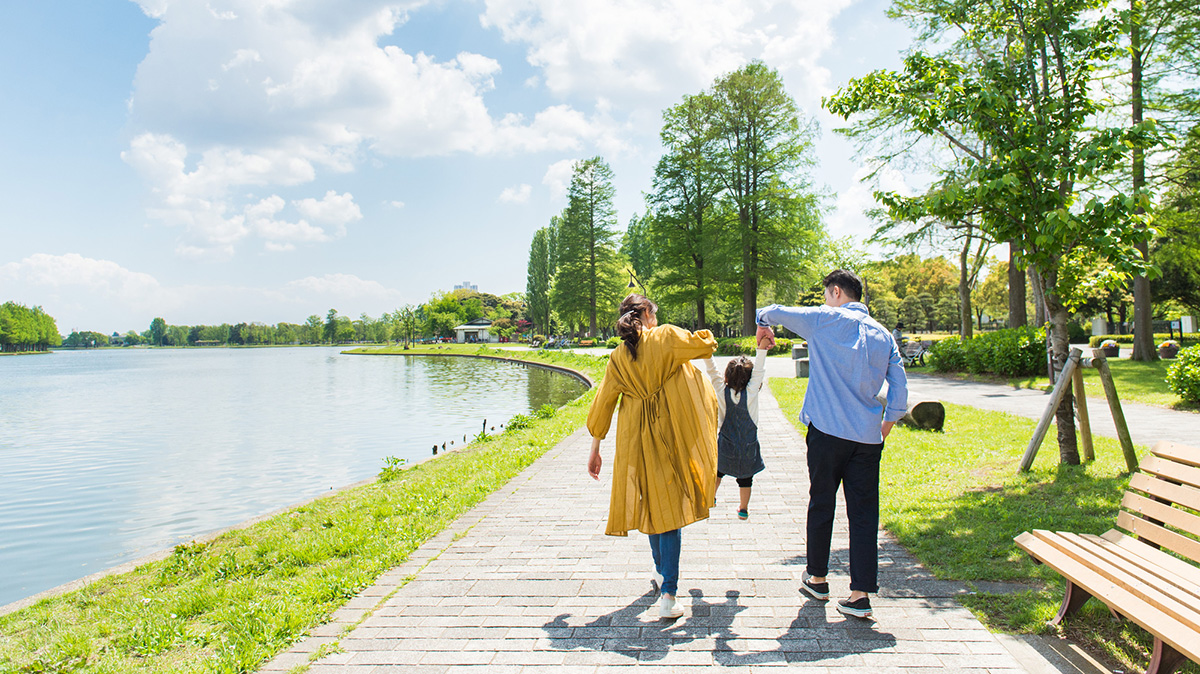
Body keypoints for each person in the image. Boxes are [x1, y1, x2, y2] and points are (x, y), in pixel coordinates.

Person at [756, 269, 908, 620]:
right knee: (864, 514)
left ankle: (818, 578)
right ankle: (859, 594)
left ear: (836, 292)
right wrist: (884, 428)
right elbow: (899, 390)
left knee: (822, 503)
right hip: (867, 437)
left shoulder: (824, 319)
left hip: (827, 433)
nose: (826, 299)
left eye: (827, 294)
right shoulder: (884, 335)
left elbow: (772, 310)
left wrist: (762, 324)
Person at [586, 294, 719, 620]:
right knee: (670, 512)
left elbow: (604, 402)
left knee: (651, 505)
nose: (656, 319)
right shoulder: (666, 338)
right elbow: (705, 346)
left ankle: (661, 573)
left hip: (635, 440)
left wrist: (595, 449)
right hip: (669, 436)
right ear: (646, 313)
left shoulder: (617, 357)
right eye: (654, 314)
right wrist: (705, 334)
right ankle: (669, 595)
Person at [702, 339, 769, 520]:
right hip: (748, 445)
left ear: (727, 377)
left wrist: (707, 352)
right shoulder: (752, 392)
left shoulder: (721, 391)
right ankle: (743, 508)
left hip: (726, 443)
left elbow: (712, 372)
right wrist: (761, 349)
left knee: (717, 471)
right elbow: (759, 372)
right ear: (749, 378)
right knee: (746, 479)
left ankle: (711, 497)